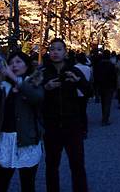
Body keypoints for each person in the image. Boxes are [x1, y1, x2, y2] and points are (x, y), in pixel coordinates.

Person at [0, 51, 44, 192]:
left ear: (27, 66)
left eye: (18, 62)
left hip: (26, 139)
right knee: (0, 182)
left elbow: (36, 97)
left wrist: (14, 78)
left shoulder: (33, 82)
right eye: (11, 62)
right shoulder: (4, 85)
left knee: (27, 183)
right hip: (5, 139)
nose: (14, 65)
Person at [41, 38, 91, 192]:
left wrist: (77, 82)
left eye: (59, 49)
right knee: (51, 165)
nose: (55, 52)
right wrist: (46, 88)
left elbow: (90, 92)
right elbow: (32, 94)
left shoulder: (74, 71)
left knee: (77, 164)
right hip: (51, 126)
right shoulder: (43, 72)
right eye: (52, 49)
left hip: (73, 125)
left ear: (65, 52)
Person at [92, 51, 117, 126]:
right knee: (108, 102)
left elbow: (95, 75)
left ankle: (104, 116)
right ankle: (105, 119)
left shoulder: (98, 65)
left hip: (101, 85)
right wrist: (115, 85)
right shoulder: (111, 65)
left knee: (103, 102)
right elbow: (114, 76)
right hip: (109, 86)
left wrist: (96, 85)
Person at [74, 53, 92, 139]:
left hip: (75, 91)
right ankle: (84, 129)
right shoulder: (88, 68)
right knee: (83, 111)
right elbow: (90, 80)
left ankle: (77, 129)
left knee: (76, 111)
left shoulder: (74, 68)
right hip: (85, 91)